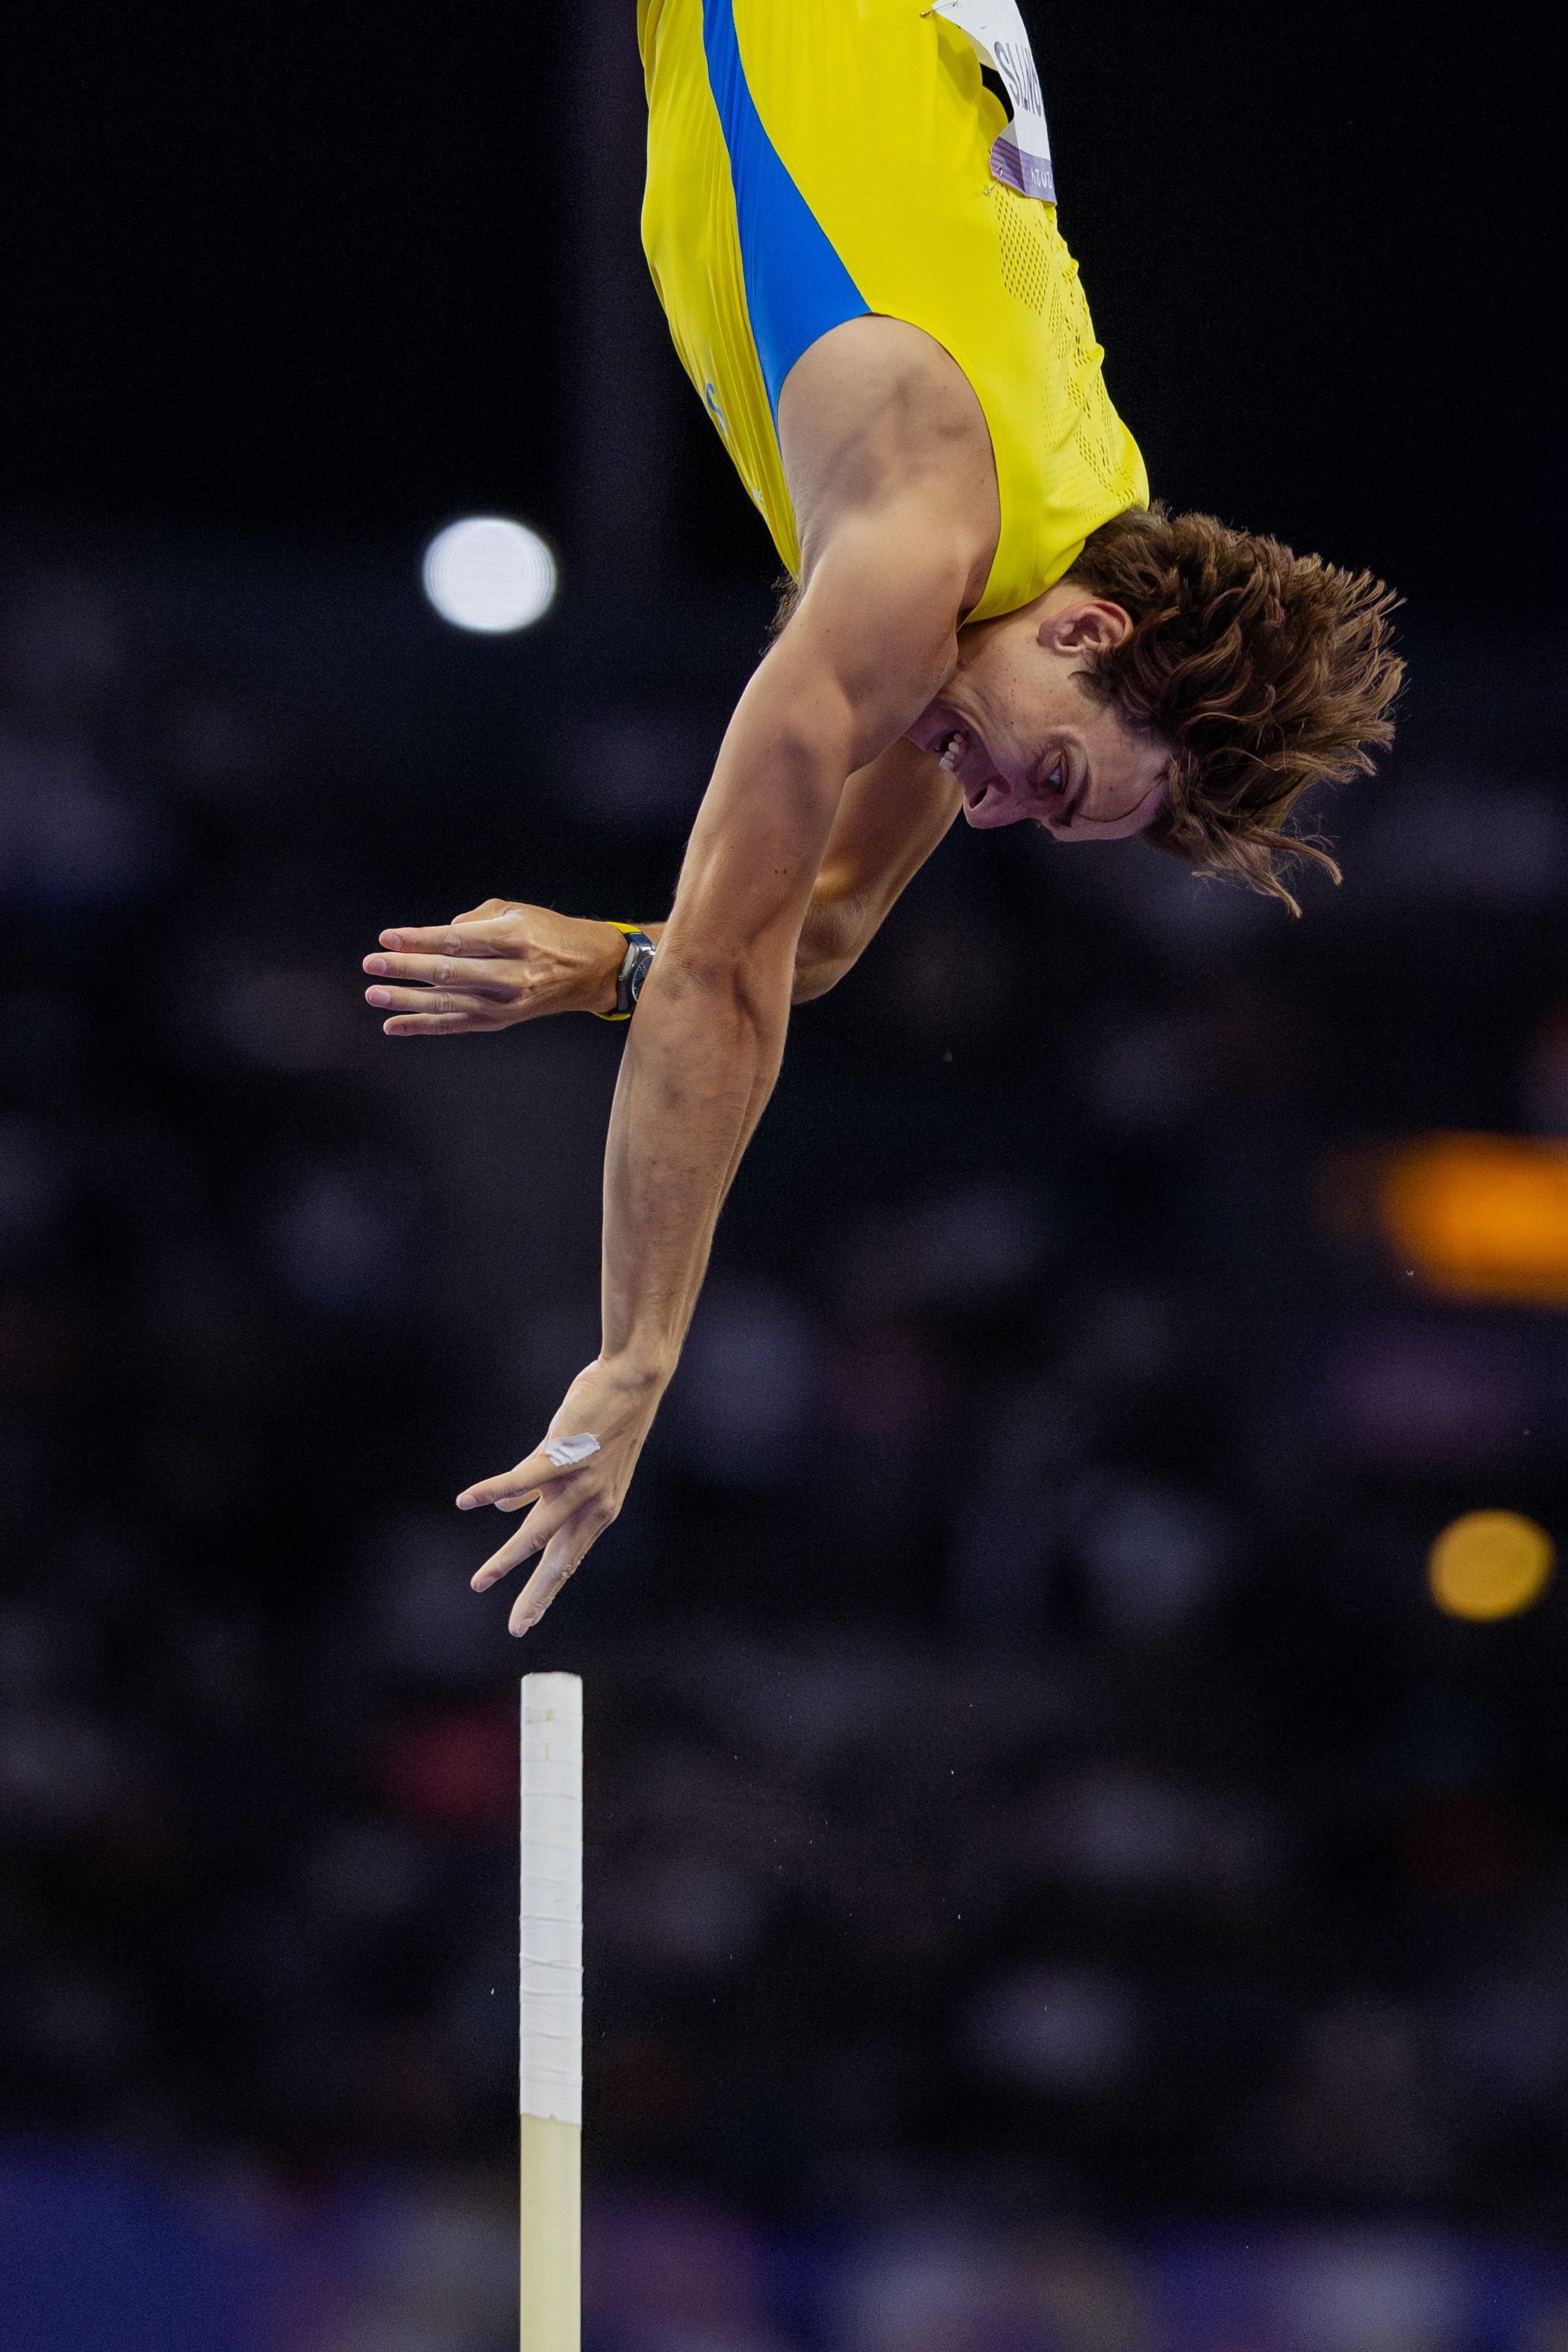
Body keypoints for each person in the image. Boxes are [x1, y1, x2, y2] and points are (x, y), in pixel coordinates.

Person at [362, 0, 1402, 1635]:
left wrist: (590, 964)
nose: (987, 813)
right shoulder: (923, 548)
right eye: (1045, 780)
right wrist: (635, 1359)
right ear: (1089, 636)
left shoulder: (1075, 549)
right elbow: (731, 972)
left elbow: (824, 931)